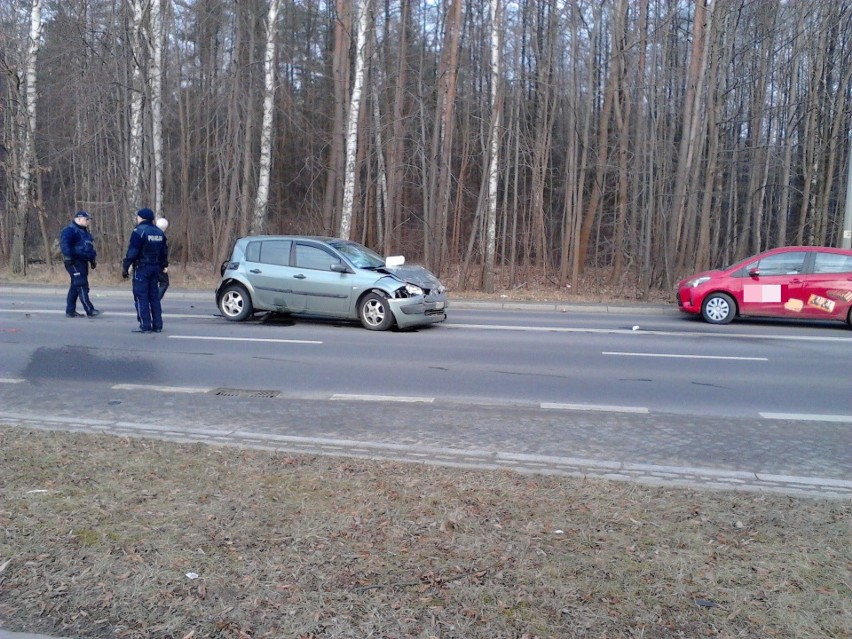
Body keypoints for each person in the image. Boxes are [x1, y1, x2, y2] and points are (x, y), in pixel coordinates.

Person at [122, 208, 168, 333]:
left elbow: (133, 251)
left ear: (141, 218)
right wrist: (163, 265)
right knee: (154, 297)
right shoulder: (159, 232)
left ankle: (145, 325)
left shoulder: (139, 232)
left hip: (142, 268)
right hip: (155, 268)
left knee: (141, 297)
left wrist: (126, 266)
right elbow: (164, 252)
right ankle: (157, 325)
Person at [58, 210, 101, 318]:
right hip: (73, 261)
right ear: (79, 219)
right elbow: (65, 245)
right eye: (87, 219)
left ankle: (70, 311)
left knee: (75, 286)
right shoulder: (69, 230)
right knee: (81, 284)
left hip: (82, 261)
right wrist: (68, 257)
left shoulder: (86, 233)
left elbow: (89, 248)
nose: (88, 222)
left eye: (89, 220)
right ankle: (90, 310)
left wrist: (92, 260)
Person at [156, 217, 170, 300]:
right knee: (164, 283)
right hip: (159, 264)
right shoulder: (162, 237)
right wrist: (165, 265)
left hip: (146, 263)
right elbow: (163, 253)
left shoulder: (149, 234)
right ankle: (154, 302)